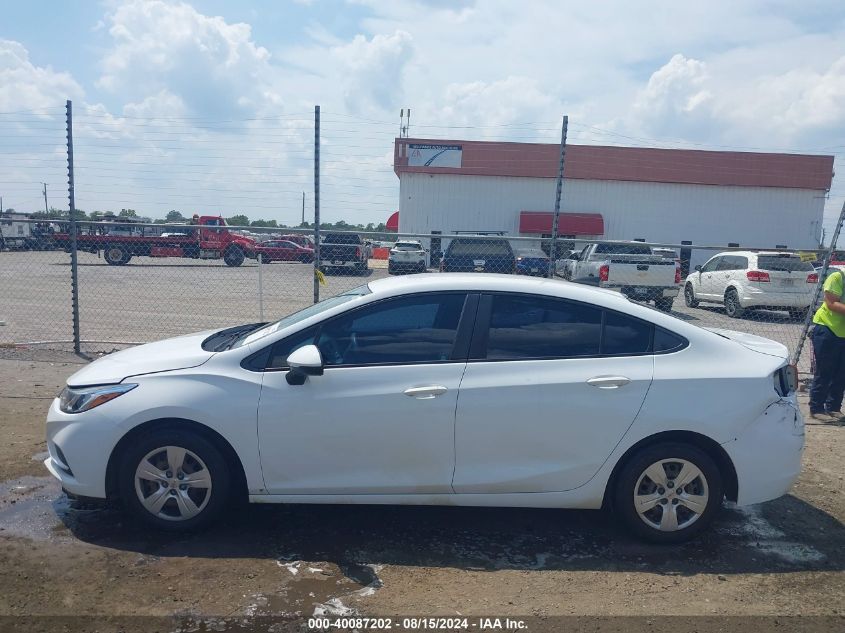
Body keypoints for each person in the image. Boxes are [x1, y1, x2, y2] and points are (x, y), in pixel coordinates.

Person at [810, 268, 845, 421]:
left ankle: (834, 408)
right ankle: (817, 408)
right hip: (827, 328)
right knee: (825, 371)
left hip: (843, 333)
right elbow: (831, 303)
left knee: (841, 373)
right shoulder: (837, 277)